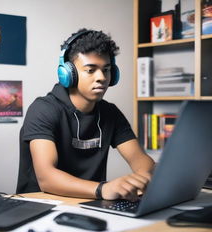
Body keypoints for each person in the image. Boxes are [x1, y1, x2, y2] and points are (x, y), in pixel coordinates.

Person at [16, 28, 155, 201]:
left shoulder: (110, 112)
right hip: (41, 207)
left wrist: (142, 179)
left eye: (106, 69)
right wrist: (103, 189)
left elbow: (140, 159)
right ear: (67, 73)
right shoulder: (43, 109)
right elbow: (47, 178)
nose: (101, 77)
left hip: (91, 205)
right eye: (91, 70)